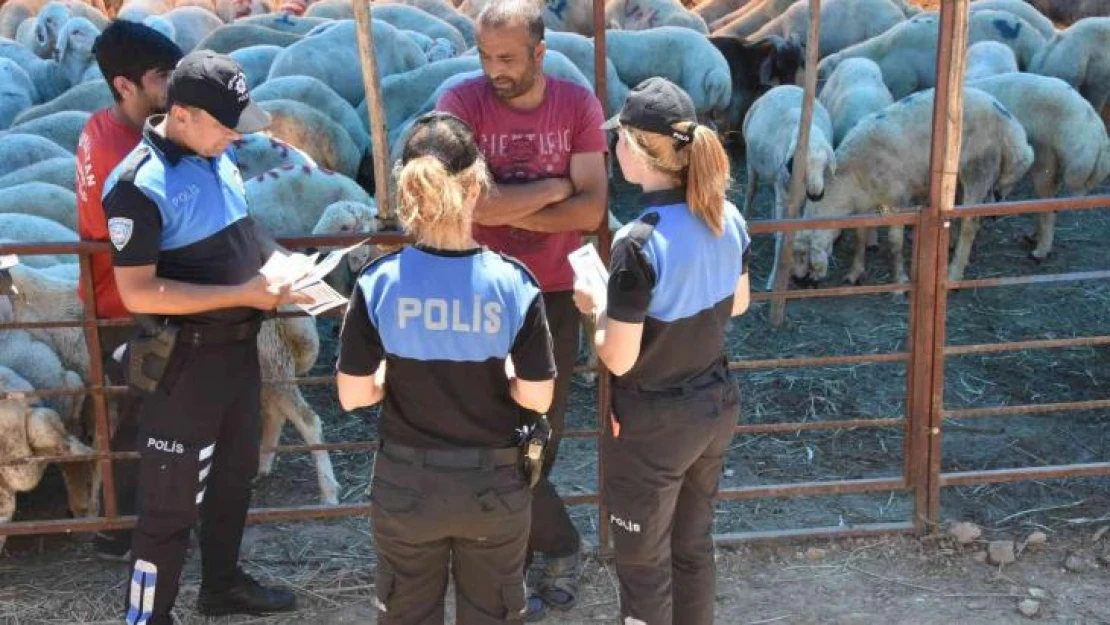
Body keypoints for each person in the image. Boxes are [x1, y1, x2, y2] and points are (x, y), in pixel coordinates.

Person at [101, 50, 305, 624]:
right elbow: (138, 293)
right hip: (183, 367)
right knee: (167, 509)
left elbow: (245, 231)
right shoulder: (137, 186)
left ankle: (221, 585)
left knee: (233, 480)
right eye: (225, 126)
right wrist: (242, 295)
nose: (235, 138)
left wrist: (288, 267)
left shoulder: (216, 155)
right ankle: (146, 617)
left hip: (237, 355)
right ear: (183, 113)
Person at [335, 110, 557, 624]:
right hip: (491, 487)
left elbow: (352, 395)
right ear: (476, 185)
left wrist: (396, 377)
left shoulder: (378, 282)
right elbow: (537, 398)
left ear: (408, 192)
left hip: (407, 486)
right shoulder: (515, 284)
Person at [435, 1, 609, 617]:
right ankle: (556, 546)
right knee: (485, 430)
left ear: (539, 51)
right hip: (478, 289)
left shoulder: (577, 105)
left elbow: (593, 213)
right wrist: (558, 186)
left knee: (540, 434)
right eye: (485, 55)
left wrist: (507, 202)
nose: (494, 69)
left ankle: (533, 553)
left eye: (507, 57)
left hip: (553, 296)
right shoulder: (460, 102)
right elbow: (466, 205)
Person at [572, 77, 752, 625]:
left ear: (638, 149)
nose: (613, 148)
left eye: (619, 139)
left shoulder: (637, 242)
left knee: (644, 564)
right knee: (693, 547)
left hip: (655, 423)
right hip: (714, 404)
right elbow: (739, 304)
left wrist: (593, 304)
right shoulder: (727, 215)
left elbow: (619, 358)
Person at [76, 18, 184, 563]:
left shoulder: (154, 130)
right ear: (126, 86)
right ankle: (118, 529)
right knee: (136, 413)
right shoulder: (105, 135)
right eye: (164, 76)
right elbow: (111, 227)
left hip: (160, 294)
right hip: (124, 300)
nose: (174, 85)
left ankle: (150, 523)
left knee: (158, 409)